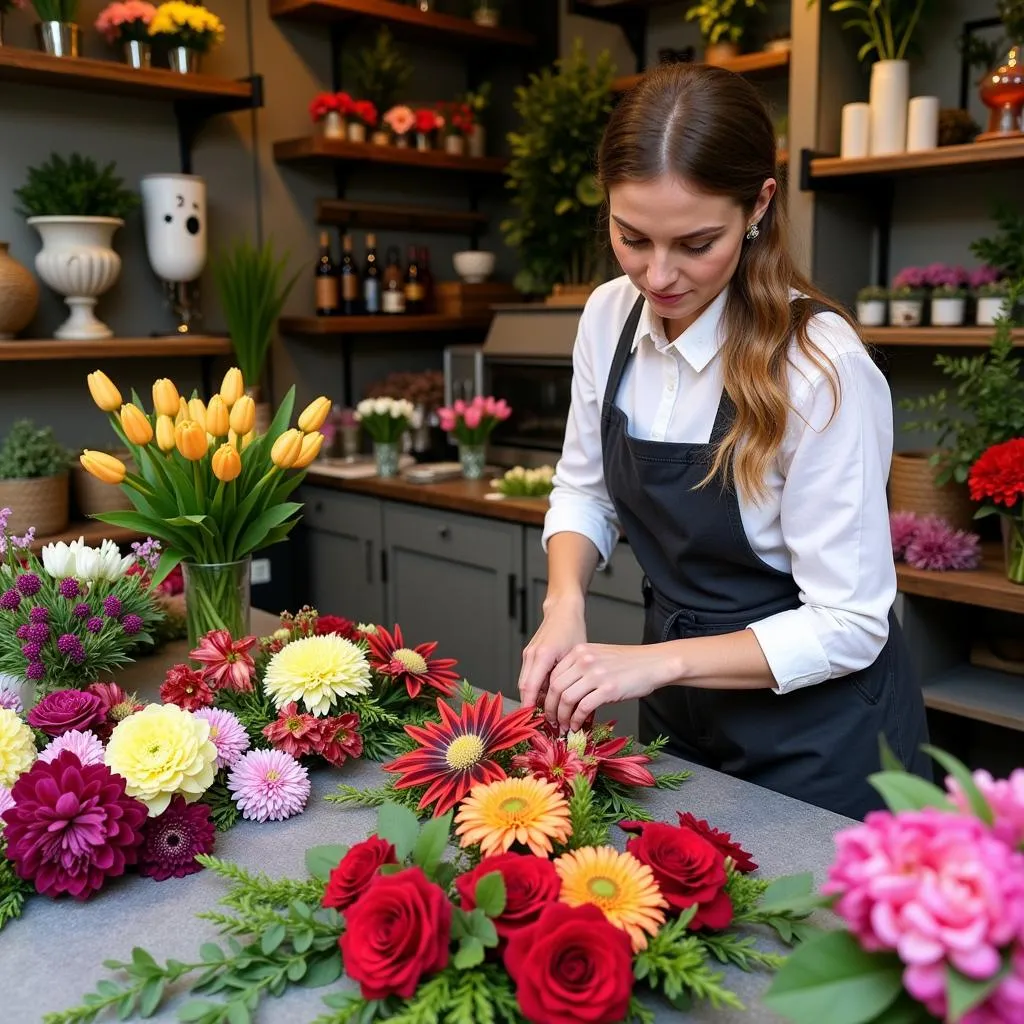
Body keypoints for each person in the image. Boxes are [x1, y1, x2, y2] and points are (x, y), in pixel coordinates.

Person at [516, 61, 932, 821]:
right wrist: (564, 600)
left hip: (823, 739)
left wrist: (653, 663)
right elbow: (583, 489)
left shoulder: (820, 366)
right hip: (679, 711)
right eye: (631, 237)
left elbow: (851, 622)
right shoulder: (608, 316)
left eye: (696, 242)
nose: (658, 275)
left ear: (757, 206)